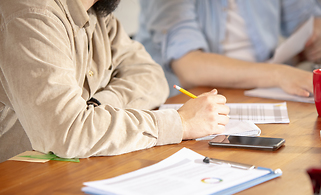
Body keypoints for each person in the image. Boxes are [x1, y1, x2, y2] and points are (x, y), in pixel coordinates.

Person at [0, 0, 230, 162]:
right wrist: (181, 124)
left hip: (68, 167)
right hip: (17, 180)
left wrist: (99, 105)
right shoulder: (32, 15)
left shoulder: (97, 13)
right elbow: (67, 133)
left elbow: (152, 76)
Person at [135, 0, 321, 98]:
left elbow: (308, 17)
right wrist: (279, 74)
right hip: (186, 99)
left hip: (261, 90)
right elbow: (189, 67)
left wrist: (315, 37)